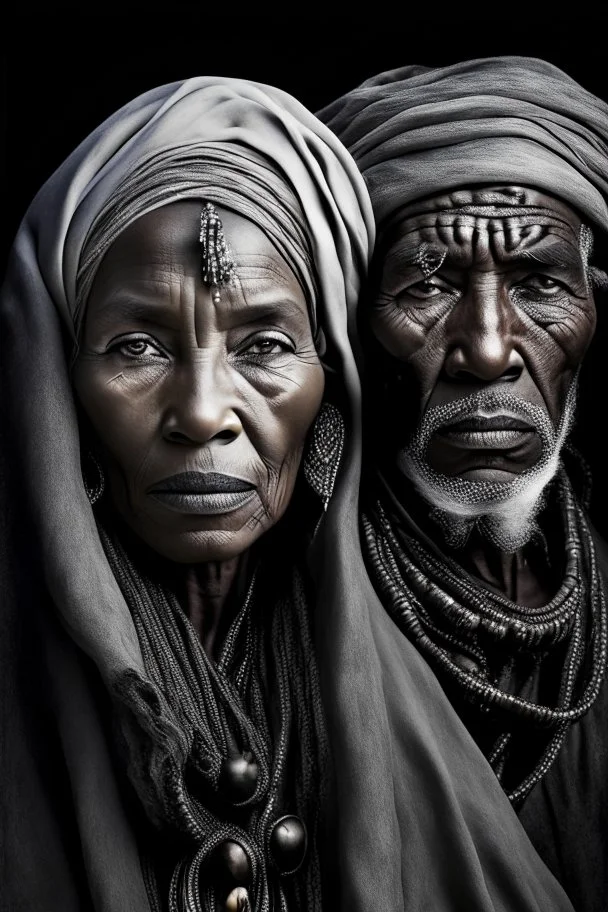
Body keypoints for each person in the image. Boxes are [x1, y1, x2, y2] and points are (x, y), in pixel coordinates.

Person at [0, 71, 579, 912]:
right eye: (136, 347)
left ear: (333, 391)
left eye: (266, 343)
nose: (202, 414)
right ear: (60, 390)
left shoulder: (396, 704)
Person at [320, 56, 608, 912]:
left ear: (595, 306)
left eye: (539, 283)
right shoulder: (285, 620)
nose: (487, 350)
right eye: (428, 284)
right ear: (353, 324)